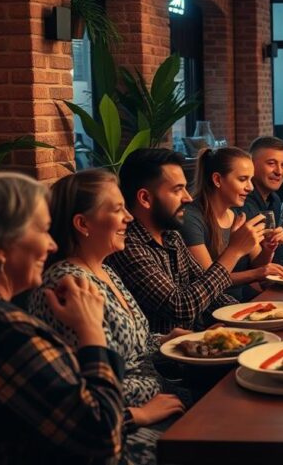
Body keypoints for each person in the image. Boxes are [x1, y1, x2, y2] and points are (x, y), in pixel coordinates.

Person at [0, 170, 124, 462]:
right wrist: (91, 330)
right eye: (43, 230)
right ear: (1, 246)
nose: (52, 245)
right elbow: (101, 435)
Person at [29, 169, 186, 464]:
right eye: (118, 209)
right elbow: (87, 389)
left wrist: (166, 341)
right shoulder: (68, 285)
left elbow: (130, 348)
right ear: (83, 223)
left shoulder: (105, 269)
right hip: (122, 429)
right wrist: (146, 408)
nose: (129, 217)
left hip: (158, 398)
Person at [107, 148, 265, 333]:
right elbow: (181, 307)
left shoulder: (171, 236)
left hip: (194, 344)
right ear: (145, 198)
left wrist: (251, 316)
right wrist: (234, 251)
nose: (188, 198)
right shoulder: (128, 246)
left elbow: (210, 292)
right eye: (177, 190)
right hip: (164, 359)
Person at [182, 147, 283, 302]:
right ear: (217, 180)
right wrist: (257, 273)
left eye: (250, 179)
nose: (250, 187)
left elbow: (258, 262)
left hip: (239, 302)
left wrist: (269, 248)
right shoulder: (191, 218)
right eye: (243, 179)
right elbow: (208, 282)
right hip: (213, 310)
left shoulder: (239, 213)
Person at [241, 136, 283, 223]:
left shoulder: (275, 200)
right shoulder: (240, 201)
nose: (279, 172)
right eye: (271, 163)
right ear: (251, 164)